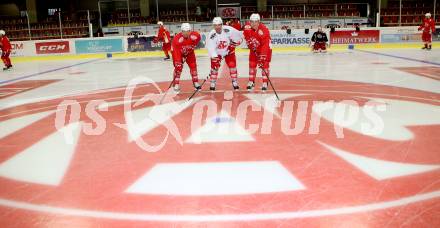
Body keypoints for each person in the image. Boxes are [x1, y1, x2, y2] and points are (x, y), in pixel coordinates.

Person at [206, 17, 243, 91]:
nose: (217, 27)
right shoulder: (212, 35)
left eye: (219, 25)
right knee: (214, 68)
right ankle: (213, 83)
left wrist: (234, 44)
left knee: (232, 66)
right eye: (215, 25)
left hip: (229, 52)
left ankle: (234, 82)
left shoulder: (229, 30)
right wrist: (215, 57)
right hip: (218, 53)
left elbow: (240, 36)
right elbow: (211, 48)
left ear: (222, 25)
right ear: (213, 26)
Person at [243, 13, 272, 91]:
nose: (254, 23)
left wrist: (262, 56)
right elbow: (246, 35)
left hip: (266, 49)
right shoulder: (247, 27)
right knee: (252, 64)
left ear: (259, 22)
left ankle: (265, 82)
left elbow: (265, 45)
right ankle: (251, 81)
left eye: (256, 22)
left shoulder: (264, 30)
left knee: (264, 65)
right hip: (254, 48)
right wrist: (249, 42)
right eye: (252, 21)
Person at [171, 23, 201, 92]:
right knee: (178, 67)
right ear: (181, 31)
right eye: (184, 31)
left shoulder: (196, 35)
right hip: (178, 53)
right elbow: (176, 52)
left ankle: (195, 82)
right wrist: (178, 61)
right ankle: (176, 84)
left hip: (190, 53)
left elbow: (198, 39)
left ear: (190, 31)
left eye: (188, 31)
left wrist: (192, 47)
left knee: (193, 66)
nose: (186, 33)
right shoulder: (177, 39)